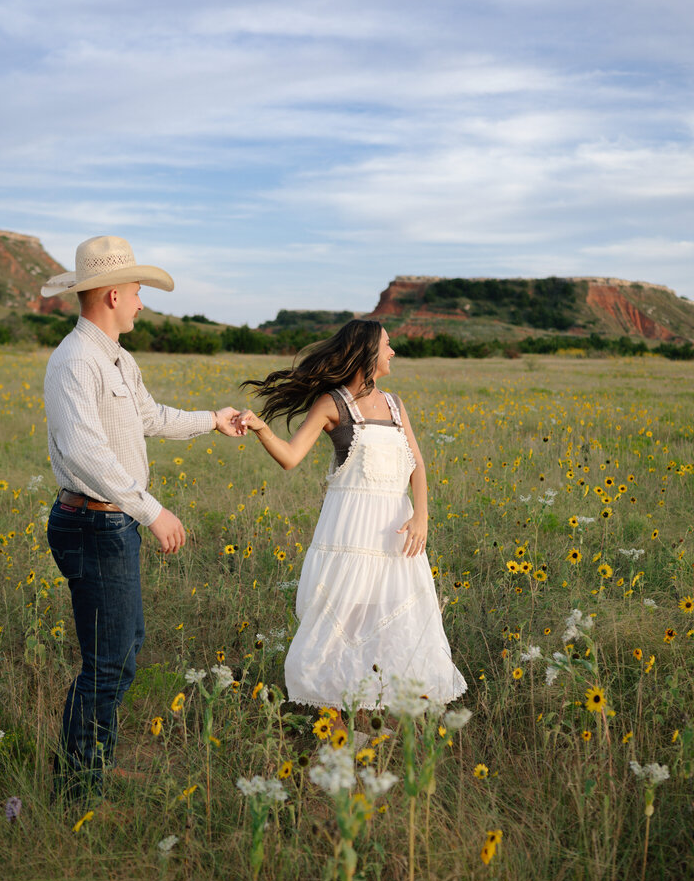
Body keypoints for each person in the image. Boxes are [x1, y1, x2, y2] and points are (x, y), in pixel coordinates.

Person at [41, 235, 244, 801]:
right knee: (108, 663)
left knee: (125, 648)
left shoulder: (116, 358)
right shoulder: (75, 361)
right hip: (93, 522)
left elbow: (149, 417)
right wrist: (151, 511)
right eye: (135, 291)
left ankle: (93, 759)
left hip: (110, 522)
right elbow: (85, 453)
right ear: (110, 295)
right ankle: (79, 788)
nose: (141, 302)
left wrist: (212, 419)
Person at [239, 319, 466, 717]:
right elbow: (291, 458)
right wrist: (261, 429)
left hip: (397, 536)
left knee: (393, 620)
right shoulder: (333, 404)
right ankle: (346, 713)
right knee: (345, 620)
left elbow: (417, 466)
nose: (393, 352)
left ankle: (382, 710)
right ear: (367, 352)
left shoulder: (395, 404)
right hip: (350, 535)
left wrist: (422, 517)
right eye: (388, 345)